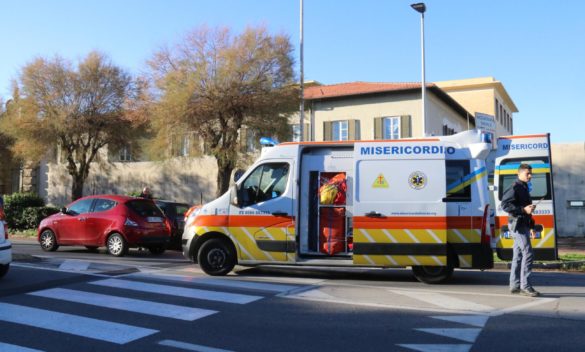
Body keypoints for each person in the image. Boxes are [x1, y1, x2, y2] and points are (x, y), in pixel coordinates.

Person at [501, 163, 540, 297]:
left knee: (518, 256)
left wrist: (532, 226)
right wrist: (523, 209)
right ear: (519, 174)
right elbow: (505, 205)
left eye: (530, 174)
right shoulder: (515, 187)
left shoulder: (524, 188)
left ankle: (515, 285)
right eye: (527, 173)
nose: (530, 176)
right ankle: (525, 286)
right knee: (528, 253)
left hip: (523, 224)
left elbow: (526, 210)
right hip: (516, 225)